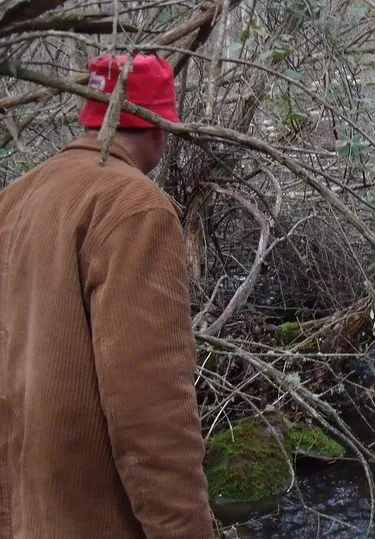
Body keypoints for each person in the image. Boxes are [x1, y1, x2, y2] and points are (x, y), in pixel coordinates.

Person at [0, 54, 215, 538]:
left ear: (92, 114)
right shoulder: (136, 209)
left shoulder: (14, 198)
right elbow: (152, 411)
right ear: (160, 130)